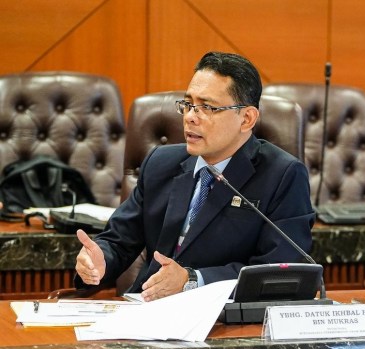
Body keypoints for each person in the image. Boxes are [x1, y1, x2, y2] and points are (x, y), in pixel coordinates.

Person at [75, 51, 315, 301]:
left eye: (207, 107)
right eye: (188, 104)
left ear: (246, 118)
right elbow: (119, 240)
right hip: (147, 309)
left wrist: (192, 280)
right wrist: (99, 260)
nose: (190, 117)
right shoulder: (161, 163)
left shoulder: (283, 175)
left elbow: (276, 273)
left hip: (224, 317)